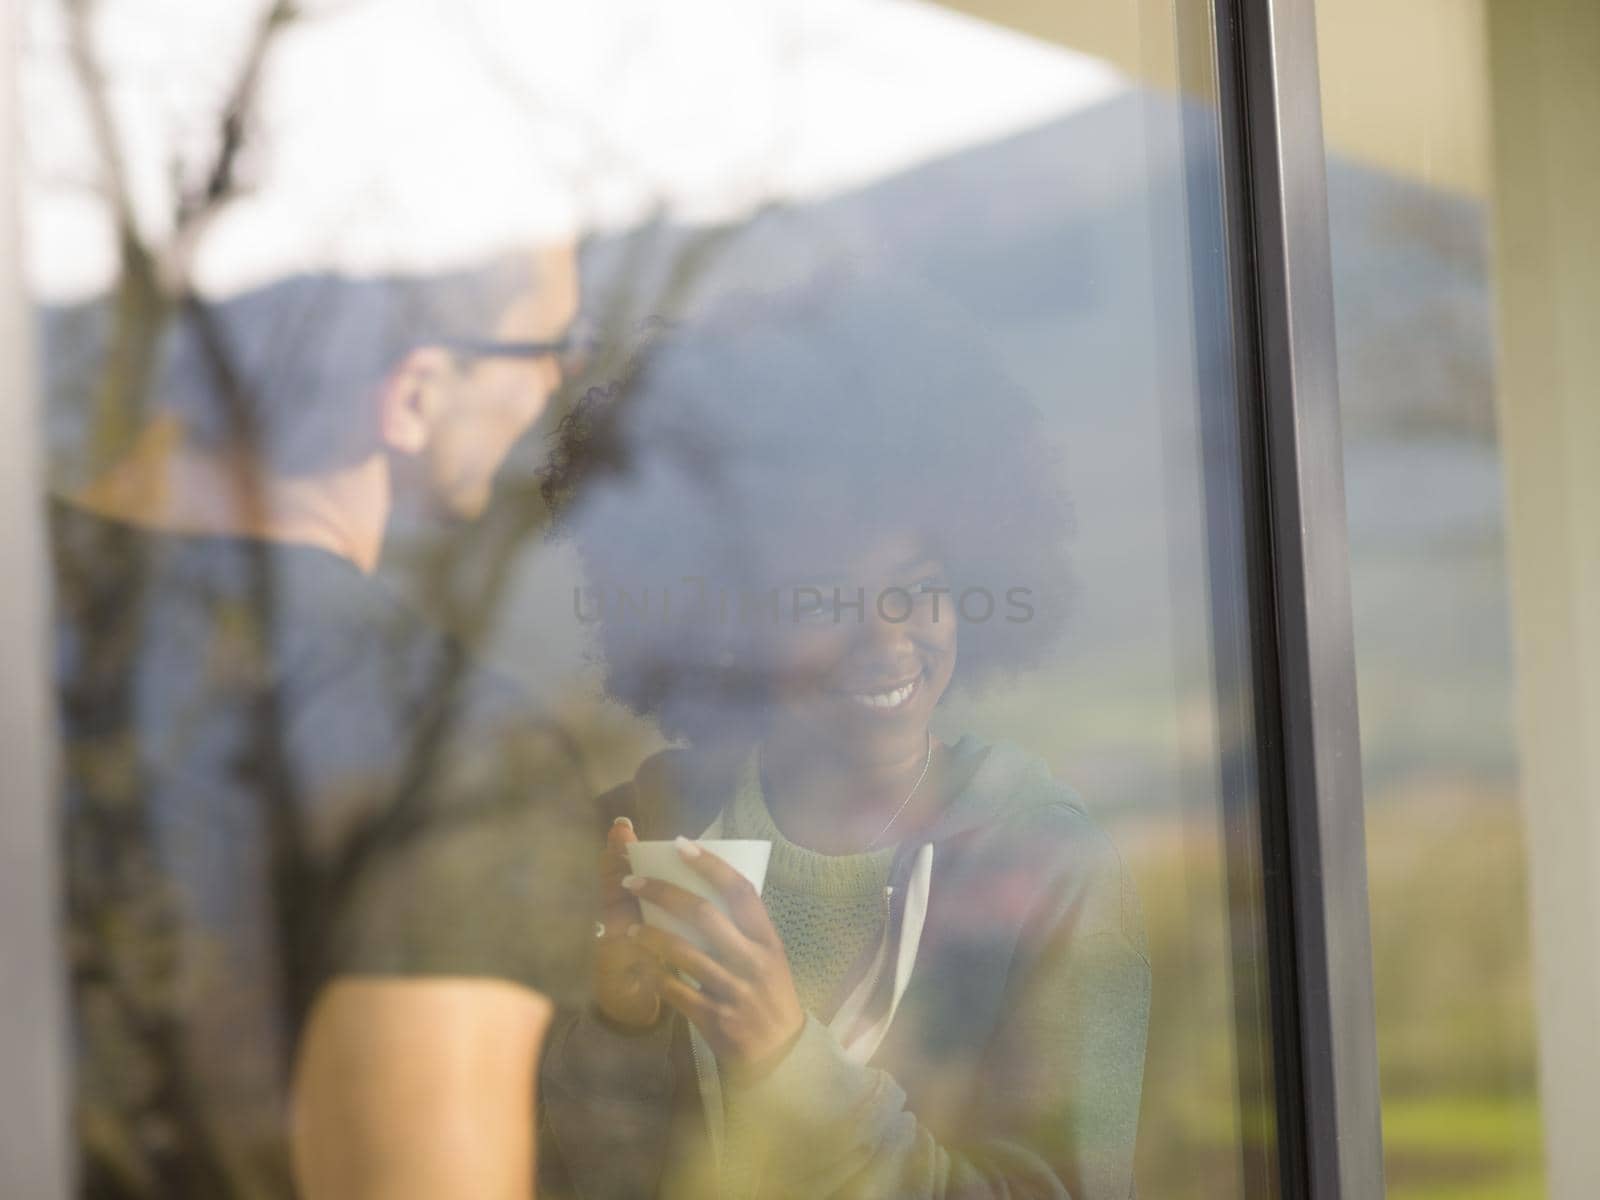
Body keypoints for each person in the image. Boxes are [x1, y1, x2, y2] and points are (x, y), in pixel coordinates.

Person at [536, 280, 1152, 1198]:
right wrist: (618, 1031)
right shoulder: (650, 833)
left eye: (917, 587)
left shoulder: (1047, 864)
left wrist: (785, 1059)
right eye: (824, 597)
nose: (888, 637)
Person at [52, 242, 595, 1198]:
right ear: (415, 393)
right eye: (551, 344)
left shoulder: (39, 602)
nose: (562, 379)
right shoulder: (441, 744)